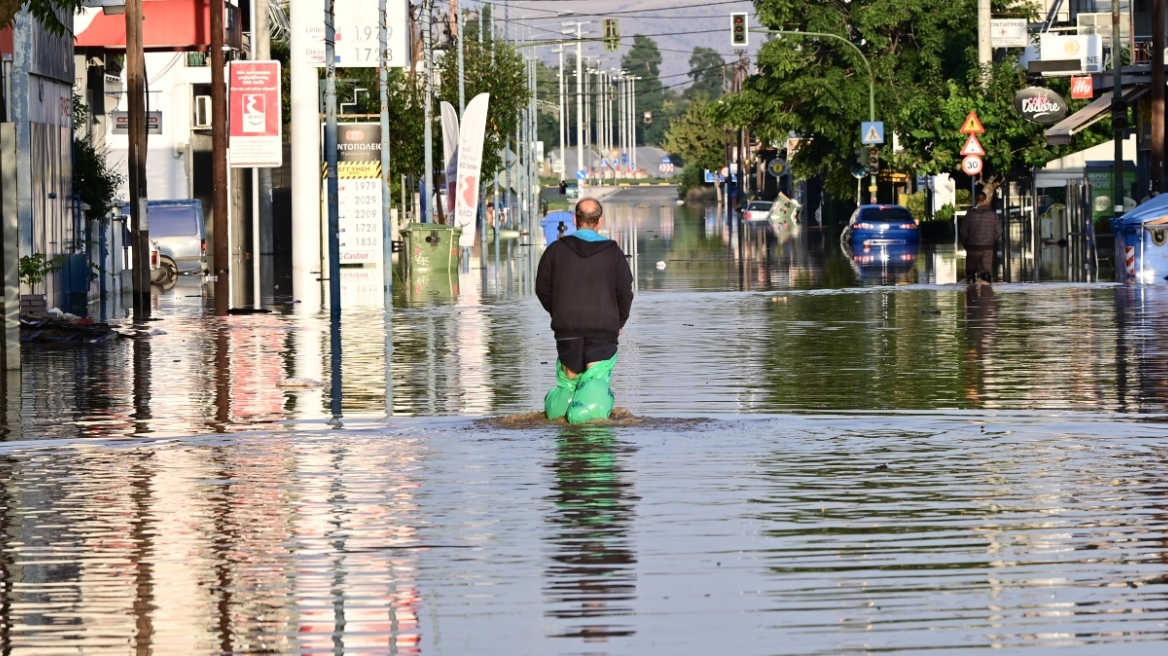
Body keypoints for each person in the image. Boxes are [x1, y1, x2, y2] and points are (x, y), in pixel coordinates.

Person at [536, 198, 634, 423]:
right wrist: (619, 322)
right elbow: (624, 292)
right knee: (595, 382)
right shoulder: (613, 252)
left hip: (567, 330)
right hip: (603, 329)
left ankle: (566, 432)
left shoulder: (555, 250)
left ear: (574, 220)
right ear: (600, 221)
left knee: (570, 382)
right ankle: (592, 438)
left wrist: (559, 312)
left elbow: (542, 288)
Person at [960, 191, 1002, 283]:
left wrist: (967, 245)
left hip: (972, 248)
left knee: (970, 273)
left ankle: (971, 294)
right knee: (986, 272)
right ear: (985, 201)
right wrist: (990, 240)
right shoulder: (993, 215)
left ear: (975, 201)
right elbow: (998, 231)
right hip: (987, 248)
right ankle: (986, 294)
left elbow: (963, 232)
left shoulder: (970, 215)